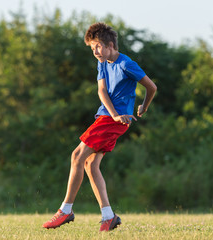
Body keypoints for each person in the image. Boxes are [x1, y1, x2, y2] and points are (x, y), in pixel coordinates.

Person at [42, 22, 157, 232]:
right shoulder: (103, 62)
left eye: (97, 46)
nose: (95, 52)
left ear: (111, 45)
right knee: (90, 164)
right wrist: (113, 114)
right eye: (92, 48)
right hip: (107, 117)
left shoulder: (126, 64)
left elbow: (151, 86)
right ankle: (108, 216)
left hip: (114, 120)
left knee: (77, 156)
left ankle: (65, 210)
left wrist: (143, 106)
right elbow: (101, 91)